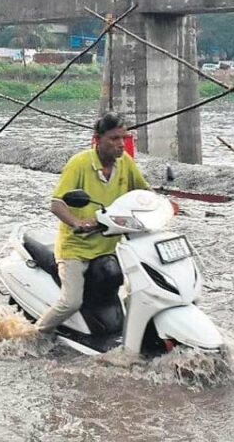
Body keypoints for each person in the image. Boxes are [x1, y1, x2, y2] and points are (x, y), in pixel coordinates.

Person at [35, 112, 150, 334]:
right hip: (77, 248)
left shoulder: (125, 162)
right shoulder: (79, 163)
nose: (120, 144)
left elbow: (143, 191)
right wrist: (76, 222)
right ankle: (36, 332)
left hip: (110, 247)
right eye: (114, 139)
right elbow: (57, 204)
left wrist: (162, 204)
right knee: (71, 302)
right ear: (98, 139)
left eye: (123, 138)